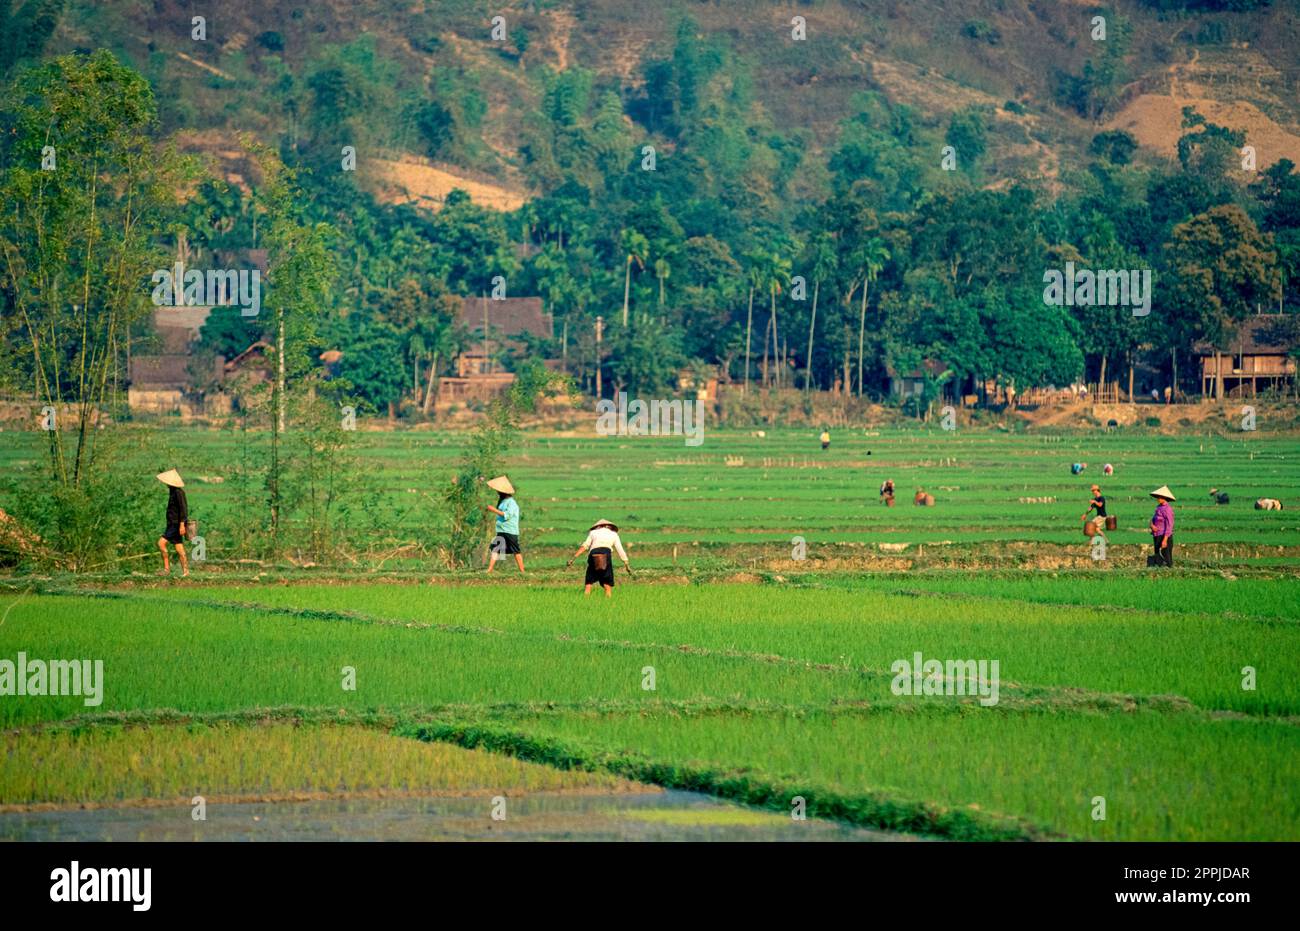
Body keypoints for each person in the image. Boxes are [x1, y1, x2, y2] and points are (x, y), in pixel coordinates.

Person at [568, 519, 631, 597]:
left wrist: (573, 558)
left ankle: (586, 598)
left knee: (589, 582)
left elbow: (585, 546)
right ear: (609, 526)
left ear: (598, 526)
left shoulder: (593, 533)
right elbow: (620, 549)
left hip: (593, 554)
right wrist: (626, 564)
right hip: (606, 554)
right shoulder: (614, 534)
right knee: (607, 583)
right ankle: (608, 600)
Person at [484, 475, 524, 573]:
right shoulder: (503, 502)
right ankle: (489, 570)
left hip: (510, 531)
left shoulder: (511, 503)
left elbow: (507, 515)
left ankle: (522, 571)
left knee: (516, 550)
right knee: (496, 549)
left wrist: (493, 510)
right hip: (501, 530)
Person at [156, 469, 190, 577]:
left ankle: (166, 569)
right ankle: (186, 571)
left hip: (176, 524)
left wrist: (181, 525)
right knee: (179, 547)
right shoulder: (172, 491)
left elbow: (183, 509)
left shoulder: (179, 493)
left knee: (161, 543)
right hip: (171, 524)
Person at [1148, 486, 1176, 568]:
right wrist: (1151, 525)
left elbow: (1169, 525)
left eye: (1160, 497)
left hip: (1164, 536)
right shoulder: (1158, 507)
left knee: (1166, 557)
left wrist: (1165, 540)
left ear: (1164, 498)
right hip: (1156, 535)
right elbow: (1153, 519)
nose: (1158, 498)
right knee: (1158, 556)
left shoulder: (1168, 509)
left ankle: (1169, 573)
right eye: (1158, 496)